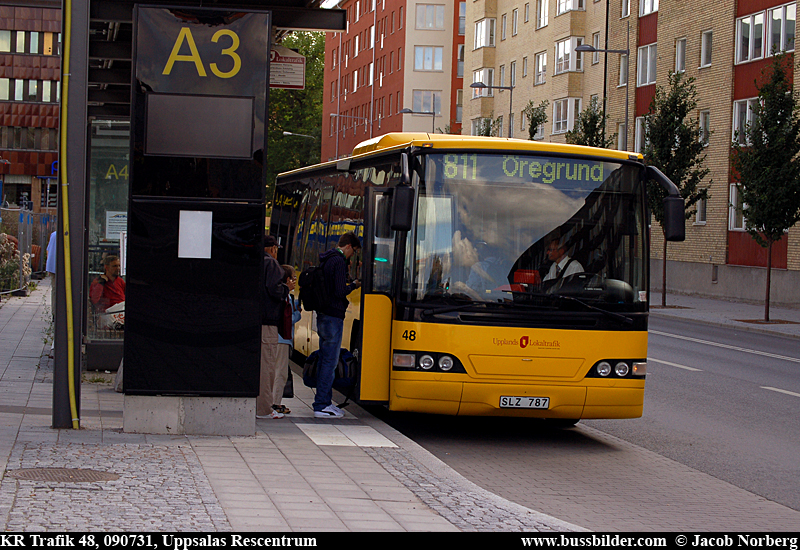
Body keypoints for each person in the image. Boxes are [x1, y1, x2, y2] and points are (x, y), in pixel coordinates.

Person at [313, 232, 361, 419]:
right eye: (354, 251)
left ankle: (323, 401)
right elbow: (340, 291)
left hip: (323, 314)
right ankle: (322, 404)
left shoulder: (326, 259)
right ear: (348, 246)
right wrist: (354, 285)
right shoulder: (339, 262)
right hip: (333, 316)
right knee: (330, 361)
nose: (352, 255)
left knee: (325, 358)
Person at [258, 235, 290, 419]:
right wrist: (286, 288)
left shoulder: (255, 262)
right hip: (268, 322)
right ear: (272, 249)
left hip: (255, 320)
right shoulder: (271, 264)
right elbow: (274, 289)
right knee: (267, 367)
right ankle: (263, 409)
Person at [273, 264, 301, 416]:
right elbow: (288, 319)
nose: (295, 282)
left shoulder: (280, 294)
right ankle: (275, 403)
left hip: (277, 338)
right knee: (280, 373)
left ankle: (272, 401)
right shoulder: (285, 296)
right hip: (282, 339)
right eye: (293, 278)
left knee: (275, 371)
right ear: (288, 279)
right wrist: (298, 314)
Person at [46, 230, 57, 319]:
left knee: (54, 291)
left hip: (52, 267)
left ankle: (54, 313)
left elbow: (48, 250)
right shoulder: (66, 235)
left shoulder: (53, 234)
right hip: (60, 267)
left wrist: (48, 265)